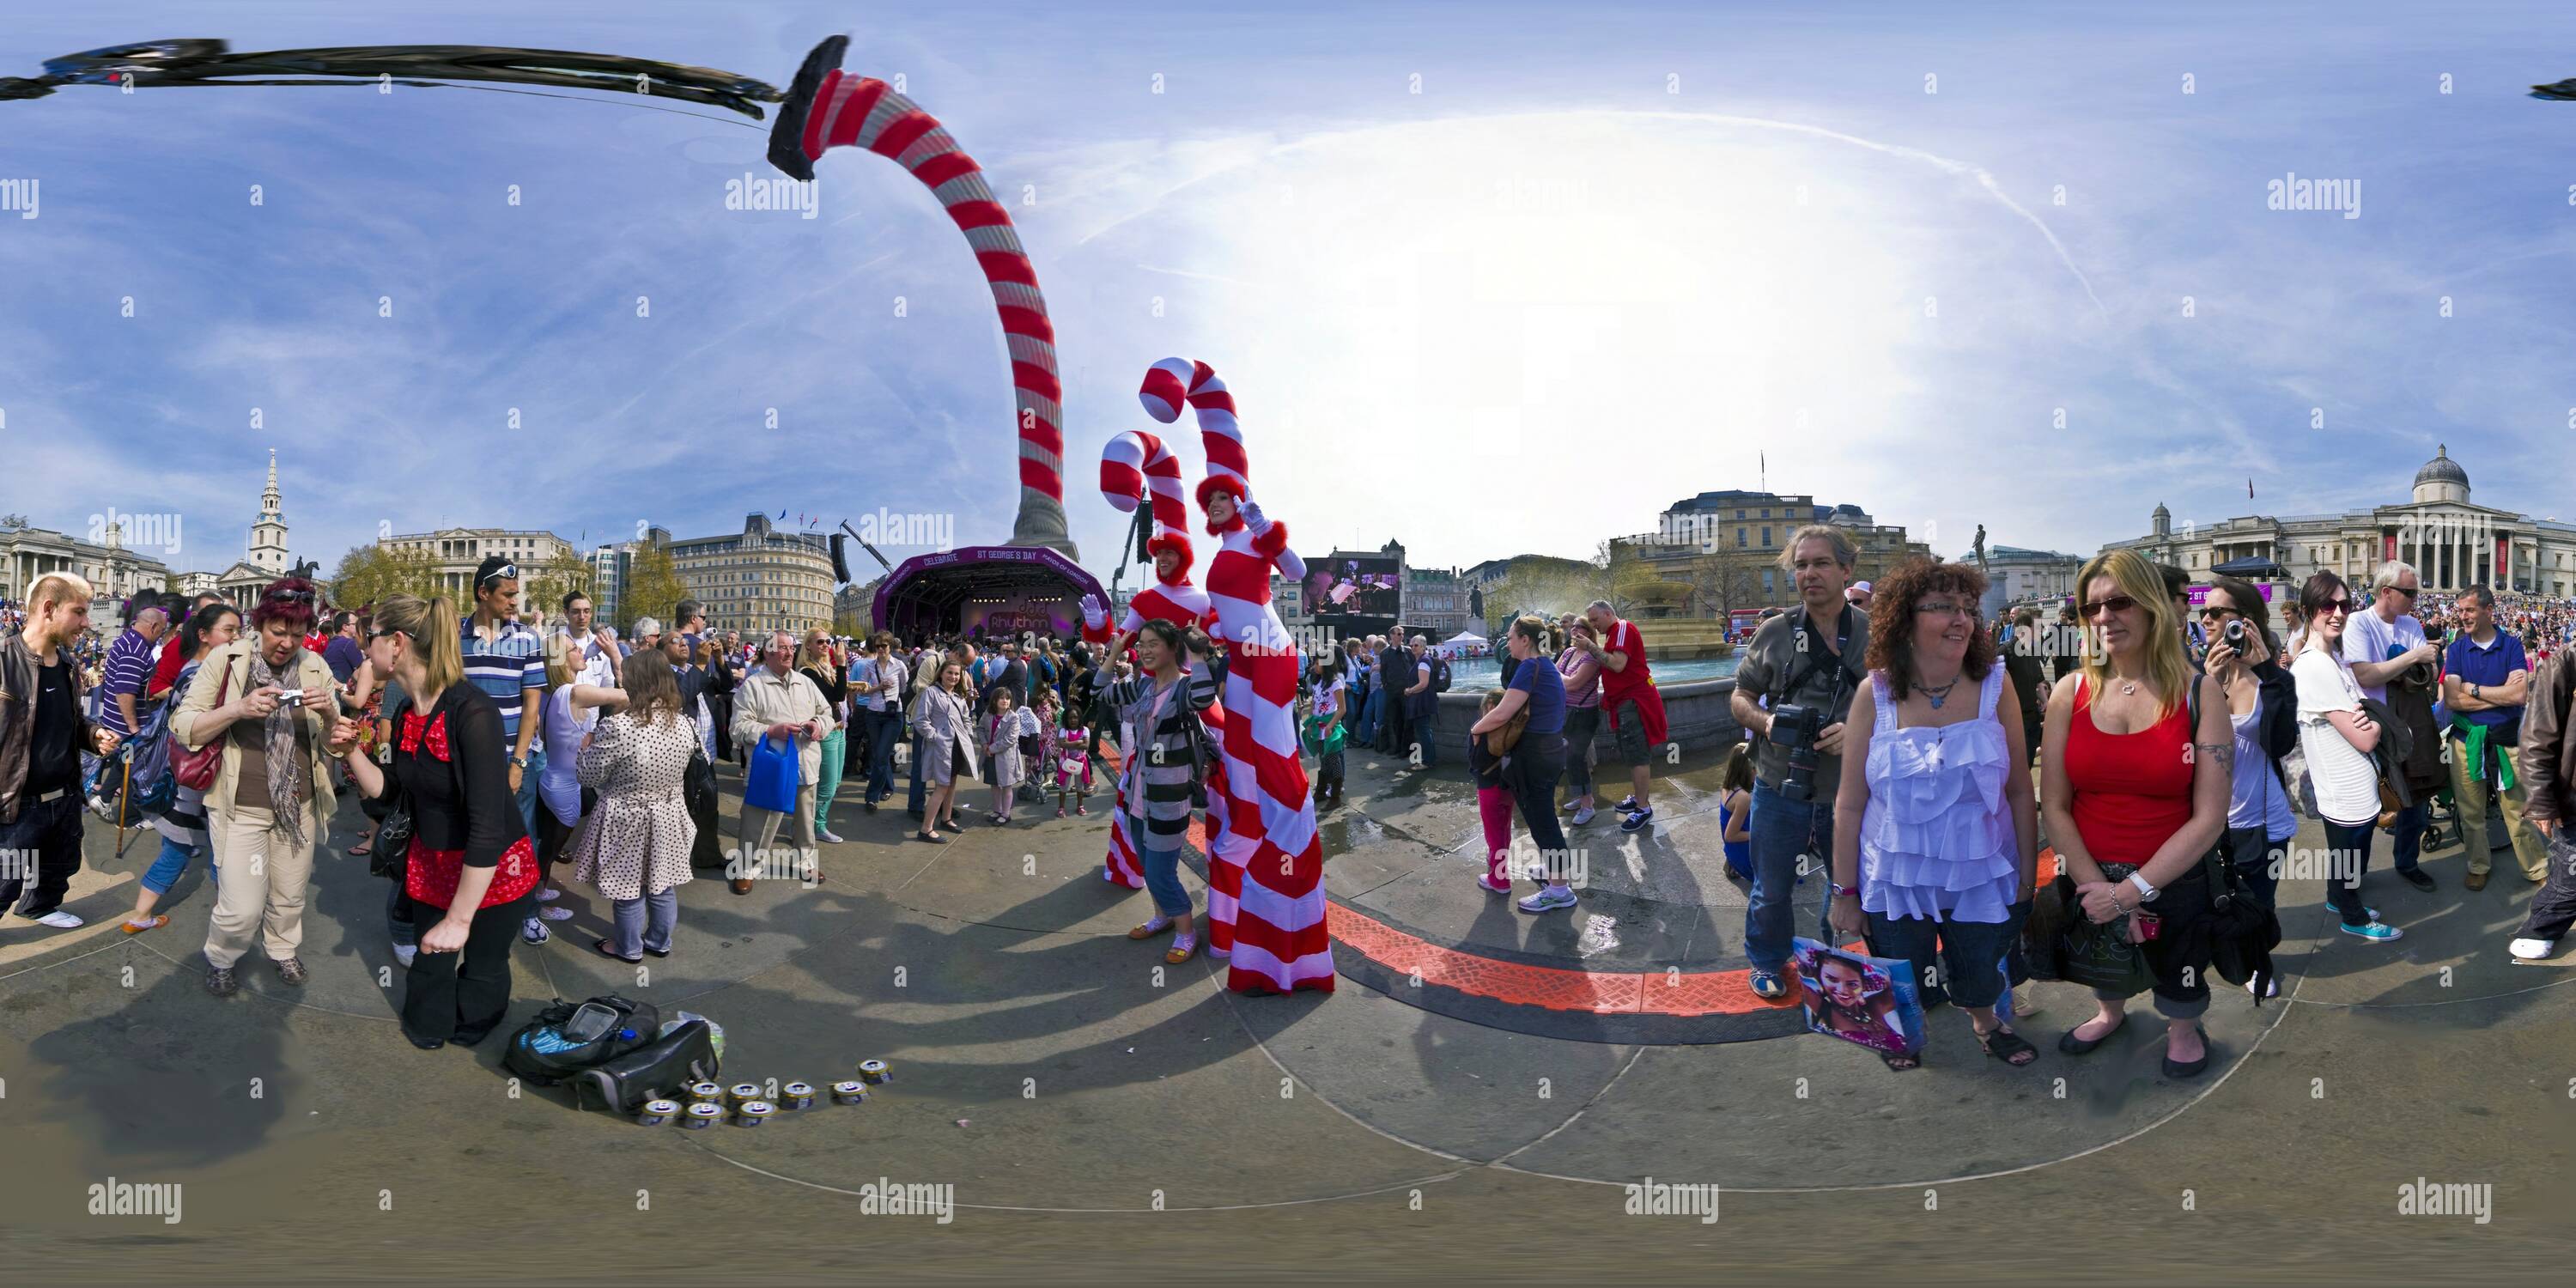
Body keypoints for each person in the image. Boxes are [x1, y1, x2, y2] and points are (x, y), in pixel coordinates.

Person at [1829, 561, 2038, 1071]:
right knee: (1903, 969)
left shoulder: (1996, 685)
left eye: (1967, 608)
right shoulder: (1873, 694)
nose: (1962, 619)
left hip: (1980, 872)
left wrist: (2028, 876)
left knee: (1979, 964)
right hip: (1895, 876)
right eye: (1943, 607)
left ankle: (1987, 1022)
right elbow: (1850, 802)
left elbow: (2017, 790)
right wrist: (1845, 893)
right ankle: (1898, 1031)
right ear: (1904, 619)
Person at [2044, 550, 2238, 1080]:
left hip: (2174, 873)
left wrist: (2131, 893)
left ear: (2152, 606)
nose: (2104, 617)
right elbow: (2055, 805)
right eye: (2092, 608)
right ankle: (2110, 1011)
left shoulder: (2202, 693)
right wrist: (2098, 890)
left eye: (2119, 602)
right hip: (2088, 868)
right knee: (2104, 959)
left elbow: (2210, 816)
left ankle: (2181, 1028)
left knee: (2180, 969)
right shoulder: (2070, 692)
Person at [337, 592, 541, 1049]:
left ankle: (474, 1024)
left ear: (397, 643)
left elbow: (488, 825)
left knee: (484, 968)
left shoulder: (473, 712)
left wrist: (460, 919)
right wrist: (349, 750)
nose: (362, 646)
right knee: (430, 969)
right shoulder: (408, 712)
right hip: (432, 861)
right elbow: (392, 792)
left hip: (490, 869)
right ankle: (432, 1025)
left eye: (369, 637)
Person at [171, 579, 340, 995]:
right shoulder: (226, 661)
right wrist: (239, 708)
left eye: (296, 635)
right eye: (277, 632)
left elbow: (336, 737)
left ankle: (282, 949)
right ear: (259, 623)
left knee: (289, 897)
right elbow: (183, 725)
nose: (285, 643)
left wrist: (332, 713)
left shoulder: (316, 666)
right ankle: (222, 956)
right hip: (240, 806)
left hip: (297, 806)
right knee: (241, 908)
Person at [1731, 526, 1869, 999]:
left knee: (1846, 881)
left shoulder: (1874, 633)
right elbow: (1740, 696)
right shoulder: (1775, 632)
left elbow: (1904, 705)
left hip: (1850, 791)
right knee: (1770, 888)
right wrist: (1767, 723)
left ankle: (1835, 954)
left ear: (1847, 571)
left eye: (1821, 563)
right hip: (1777, 783)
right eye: (1801, 565)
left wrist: (1858, 732)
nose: (1809, 573)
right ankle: (1767, 960)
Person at [1090, 618, 1221, 963]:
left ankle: (1185, 932)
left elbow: (1206, 697)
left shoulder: (1183, 689)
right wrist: (1113, 651)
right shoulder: (1142, 687)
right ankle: (1162, 916)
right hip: (1137, 796)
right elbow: (1098, 691)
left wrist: (1198, 653)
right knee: (1149, 869)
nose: (1145, 651)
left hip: (1168, 800)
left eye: (1153, 644)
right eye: (1142, 644)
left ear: (1172, 648)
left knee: (1162, 873)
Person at [1, 574, 125, 933]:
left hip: (65, 794)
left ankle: (39, 908)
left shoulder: (69, 666)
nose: (87, 623)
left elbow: (70, 721)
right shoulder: (3, 662)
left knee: (58, 865)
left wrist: (92, 734)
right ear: (49, 609)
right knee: (3, 882)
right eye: (79, 612)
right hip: (17, 801)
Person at [2289, 572, 2403, 941]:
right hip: (2343, 785)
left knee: (2346, 851)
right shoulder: (2314, 665)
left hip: (2350, 781)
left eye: (2344, 605)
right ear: (2309, 610)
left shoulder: (2332, 657)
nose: (2338, 613)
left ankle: (2338, 899)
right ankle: (2353, 916)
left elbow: (2359, 712)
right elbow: (2364, 736)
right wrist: (2379, 725)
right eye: (2328, 605)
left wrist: (2367, 718)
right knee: (2349, 855)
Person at [121, 602, 241, 934]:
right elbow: (196, 731)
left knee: (177, 849)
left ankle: (140, 915)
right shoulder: (202, 675)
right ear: (204, 635)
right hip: (202, 779)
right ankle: (228, 924)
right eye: (229, 631)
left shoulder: (194, 669)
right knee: (223, 853)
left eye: (238, 631)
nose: (237, 638)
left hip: (188, 779)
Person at [571, 650, 698, 962]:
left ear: (639, 680)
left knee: (627, 888)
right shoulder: (683, 723)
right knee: (662, 884)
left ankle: (628, 948)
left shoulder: (619, 726)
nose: (622, 679)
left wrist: (584, 749)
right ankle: (659, 941)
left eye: (626, 674)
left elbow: (588, 776)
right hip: (669, 813)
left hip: (627, 817)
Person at [456, 556, 549, 950]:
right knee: (467, 837)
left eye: (516, 595)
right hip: (467, 761)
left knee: (521, 840)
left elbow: (532, 706)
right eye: (508, 595)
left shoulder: (528, 639)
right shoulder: (453, 638)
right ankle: (467, 910)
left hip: (516, 759)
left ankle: (525, 913)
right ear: (483, 594)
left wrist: (519, 762)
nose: (516, 602)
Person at [2200, 578, 2298, 930]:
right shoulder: (2198, 676)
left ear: (2246, 619)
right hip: (2210, 820)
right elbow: (2183, 748)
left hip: (2263, 819)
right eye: (2203, 612)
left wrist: (2268, 670)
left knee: (2260, 902)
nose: (2206, 619)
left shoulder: (2275, 680)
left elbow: (2282, 743)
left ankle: (2259, 962)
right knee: (2214, 901)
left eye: (2215, 612)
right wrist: (2205, 686)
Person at [2343, 561, 2441, 893]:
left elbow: (2422, 679)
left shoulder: (2410, 623)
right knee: (2368, 803)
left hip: (2409, 724)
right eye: (2409, 592)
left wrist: (2399, 667)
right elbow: (2366, 676)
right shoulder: (2359, 622)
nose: (2415, 599)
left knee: (2413, 799)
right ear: (2386, 592)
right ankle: (2352, 875)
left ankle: (2407, 863)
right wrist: (2411, 658)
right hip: (2370, 727)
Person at [2443, 586, 2549, 890]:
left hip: (2506, 742)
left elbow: (2518, 695)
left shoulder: (2512, 646)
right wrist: (2500, 695)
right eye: (2460, 610)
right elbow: (2451, 699)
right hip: (2466, 741)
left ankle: (2536, 867)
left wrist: (2472, 689)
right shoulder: (2458, 649)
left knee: (2517, 811)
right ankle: (2478, 864)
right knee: (2470, 811)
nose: (2463, 616)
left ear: (2489, 611)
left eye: (2470, 610)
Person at [1475, 616, 1576, 912]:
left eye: (1510, 637)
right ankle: (1553, 873)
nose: (1507, 643)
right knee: (1545, 818)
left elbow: (1503, 713)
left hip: (1535, 756)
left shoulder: (1529, 667)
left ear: (1525, 640)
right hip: (1551, 751)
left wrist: (1475, 729)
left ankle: (1559, 890)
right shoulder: (1547, 666)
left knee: (1543, 823)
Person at [531, 630, 625, 940]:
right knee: (550, 848)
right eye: (574, 649)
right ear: (561, 659)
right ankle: (534, 905)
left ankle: (539, 892)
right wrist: (616, 659)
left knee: (547, 846)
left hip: (555, 779)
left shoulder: (551, 693)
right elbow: (625, 697)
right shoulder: (573, 692)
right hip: (564, 786)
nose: (581, 652)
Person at [729, 631, 835, 892]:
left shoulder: (804, 682)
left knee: (805, 819)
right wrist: (770, 731)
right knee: (759, 819)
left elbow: (827, 713)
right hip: (772, 766)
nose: (789, 653)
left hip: (805, 761)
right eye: (782, 648)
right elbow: (737, 728)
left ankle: (805, 862)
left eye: (791, 648)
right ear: (768, 652)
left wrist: (818, 724)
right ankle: (747, 868)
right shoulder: (754, 685)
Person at [2510, 629, 2576, 960]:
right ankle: (2540, 927)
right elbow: (2537, 740)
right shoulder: (2565, 664)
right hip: (2574, 795)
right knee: (2571, 876)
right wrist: (2541, 802)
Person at [1581, 599, 1669, 833]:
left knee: (1638, 756)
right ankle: (1639, 799)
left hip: (1634, 704)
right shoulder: (1613, 633)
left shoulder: (1621, 628)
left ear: (1608, 614)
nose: (1593, 625)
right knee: (1632, 754)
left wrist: (1590, 646)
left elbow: (1618, 665)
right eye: (1590, 621)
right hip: (1626, 703)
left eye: (1595, 619)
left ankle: (1643, 809)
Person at [911, 659, 977, 841]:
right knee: (941, 787)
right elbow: (920, 720)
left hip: (957, 747)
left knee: (952, 784)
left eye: (957, 674)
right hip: (941, 747)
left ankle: (946, 819)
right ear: (941, 673)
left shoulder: (958, 697)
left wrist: (968, 734)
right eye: (950, 673)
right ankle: (925, 829)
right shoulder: (930, 693)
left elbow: (966, 718)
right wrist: (935, 737)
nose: (954, 677)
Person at [797, 630, 851, 842]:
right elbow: (838, 695)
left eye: (827, 641)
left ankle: (805, 823)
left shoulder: (823, 668)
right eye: (820, 641)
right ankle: (815, 825)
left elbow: (839, 694)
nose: (824, 645)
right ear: (808, 645)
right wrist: (841, 663)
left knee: (835, 782)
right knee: (827, 786)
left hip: (838, 728)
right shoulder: (808, 672)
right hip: (825, 731)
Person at [1467, 688, 1516, 894]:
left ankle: (1499, 880)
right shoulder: (1513, 727)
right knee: (1504, 829)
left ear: (1489, 706)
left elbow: (1474, 761)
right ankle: (1498, 863)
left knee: (1493, 833)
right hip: (1509, 786)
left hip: (1489, 788)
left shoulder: (1479, 729)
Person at [1555, 617, 1603, 825]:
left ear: (1590, 631)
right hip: (1567, 711)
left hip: (1584, 714)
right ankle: (1581, 797)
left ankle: (1587, 806)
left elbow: (1574, 684)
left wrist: (1562, 678)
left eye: (1580, 627)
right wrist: (1563, 678)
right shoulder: (1568, 652)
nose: (1574, 630)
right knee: (1569, 757)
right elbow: (1554, 672)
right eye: (1572, 627)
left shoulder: (1592, 657)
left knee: (1576, 758)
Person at [984, 686, 1035, 824]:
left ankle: (1006, 814)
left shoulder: (1014, 717)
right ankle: (997, 810)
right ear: (994, 700)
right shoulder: (988, 714)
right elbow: (980, 728)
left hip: (1005, 757)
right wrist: (984, 744)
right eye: (1001, 698)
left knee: (1006, 786)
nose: (1005, 701)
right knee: (994, 784)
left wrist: (992, 748)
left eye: (1007, 698)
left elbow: (1011, 739)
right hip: (990, 756)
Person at [1718, 742, 1753, 882]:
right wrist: (1762, 834)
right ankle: (1740, 865)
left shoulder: (1727, 787)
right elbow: (1731, 836)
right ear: (1748, 770)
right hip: (1747, 859)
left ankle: (1732, 862)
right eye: (1757, 768)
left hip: (1732, 851)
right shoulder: (1743, 797)